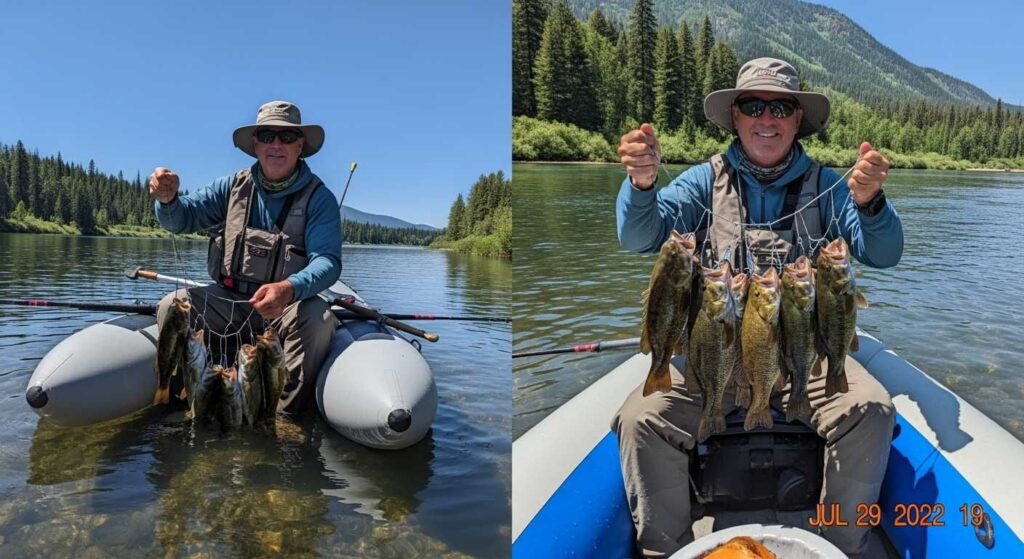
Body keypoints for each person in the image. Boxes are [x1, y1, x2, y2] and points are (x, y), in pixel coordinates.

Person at [612, 58, 903, 558]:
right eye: (753, 106)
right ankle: (667, 551)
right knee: (641, 418)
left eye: (781, 108)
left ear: (797, 119)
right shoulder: (702, 183)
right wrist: (641, 185)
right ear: (735, 116)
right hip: (717, 356)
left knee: (872, 411)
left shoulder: (830, 187)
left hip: (804, 357)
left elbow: (884, 253)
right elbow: (639, 237)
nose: (766, 118)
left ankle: (841, 546)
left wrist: (871, 201)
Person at [149, 100, 342, 415]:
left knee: (318, 317)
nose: (276, 144)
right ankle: (183, 400)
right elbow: (181, 219)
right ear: (255, 144)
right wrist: (167, 199)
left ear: (300, 146)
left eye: (287, 137)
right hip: (228, 300)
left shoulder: (320, 200)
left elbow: (328, 262)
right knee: (172, 305)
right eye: (267, 136)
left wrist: (289, 288)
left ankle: (286, 416)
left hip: (286, 308)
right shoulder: (231, 187)